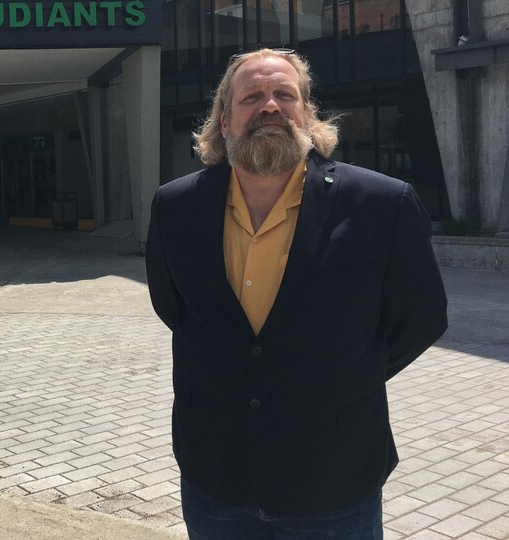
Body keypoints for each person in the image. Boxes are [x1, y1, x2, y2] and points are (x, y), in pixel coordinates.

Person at [145, 48, 448, 539]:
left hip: (333, 480)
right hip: (216, 480)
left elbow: (422, 317)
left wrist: (340, 372)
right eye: (251, 97)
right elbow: (174, 306)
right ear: (224, 122)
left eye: (285, 95)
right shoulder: (176, 207)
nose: (269, 106)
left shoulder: (381, 205)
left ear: (306, 114)